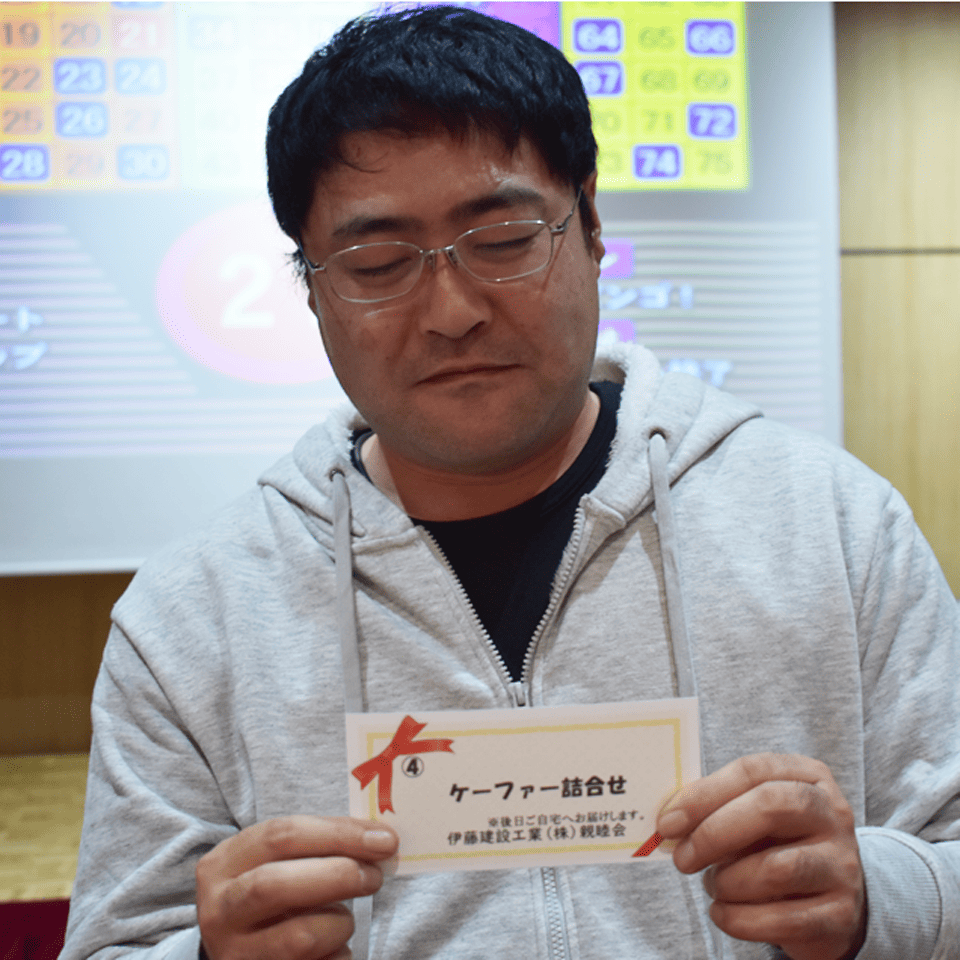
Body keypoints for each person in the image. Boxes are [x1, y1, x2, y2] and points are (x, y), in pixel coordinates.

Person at [61, 7, 960, 960]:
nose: (451, 311)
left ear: (591, 225)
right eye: (377, 263)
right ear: (312, 288)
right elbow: (116, 942)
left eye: (501, 240)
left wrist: (879, 897)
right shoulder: (194, 616)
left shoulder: (829, 525)